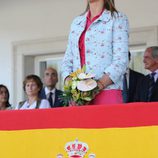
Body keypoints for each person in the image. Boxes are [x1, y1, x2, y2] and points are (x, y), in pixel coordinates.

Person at [62, 0, 129, 105]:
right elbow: (67, 61)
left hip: (107, 92)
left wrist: (95, 88)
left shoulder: (117, 19)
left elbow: (121, 61)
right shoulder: (76, 22)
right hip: (78, 99)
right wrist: (72, 88)